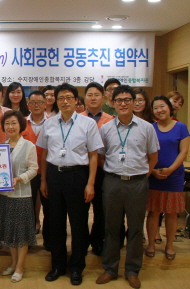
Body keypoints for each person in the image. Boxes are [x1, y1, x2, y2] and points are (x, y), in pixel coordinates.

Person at [38, 83, 103, 286]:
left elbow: (93, 156)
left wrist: (90, 183)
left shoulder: (87, 124)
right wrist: (43, 180)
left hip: (78, 176)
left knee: (78, 223)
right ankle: (58, 266)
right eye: (60, 98)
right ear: (55, 101)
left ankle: (76, 267)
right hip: (54, 176)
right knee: (55, 223)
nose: (65, 101)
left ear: (76, 100)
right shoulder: (49, 123)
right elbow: (44, 154)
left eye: (69, 97)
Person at [96, 85, 159, 289]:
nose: (123, 103)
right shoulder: (105, 128)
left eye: (127, 100)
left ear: (134, 102)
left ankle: (132, 270)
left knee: (135, 229)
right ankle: (110, 269)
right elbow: (100, 156)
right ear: (113, 104)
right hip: (112, 182)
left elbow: (153, 157)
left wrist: (140, 176)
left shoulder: (146, 127)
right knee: (112, 228)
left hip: (138, 183)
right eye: (119, 100)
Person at [0, 110, 38, 283]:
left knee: (21, 233)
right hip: (5, 196)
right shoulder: (1, 146)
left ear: (21, 125)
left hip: (22, 196)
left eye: (13, 123)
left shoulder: (29, 146)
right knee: (9, 232)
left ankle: (20, 266)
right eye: (7, 123)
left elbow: (34, 169)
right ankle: (13, 263)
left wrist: (19, 179)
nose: (10, 126)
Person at [145, 95, 190, 261]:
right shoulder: (150, 127)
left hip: (174, 176)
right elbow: (145, 152)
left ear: (169, 108)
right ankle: (150, 244)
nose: (159, 110)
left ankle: (169, 245)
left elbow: (183, 152)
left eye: (162, 106)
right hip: (154, 175)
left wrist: (170, 169)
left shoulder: (181, 127)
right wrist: (154, 170)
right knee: (153, 211)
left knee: (171, 213)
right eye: (155, 108)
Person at [80, 82, 114, 256]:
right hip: (81, 169)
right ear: (85, 98)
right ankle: (82, 243)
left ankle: (97, 241)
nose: (93, 98)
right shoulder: (76, 118)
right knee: (80, 210)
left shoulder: (111, 120)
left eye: (96, 95)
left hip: (103, 170)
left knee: (101, 209)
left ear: (103, 97)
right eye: (90, 95)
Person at [22, 91, 49, 246]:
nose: (36, 105)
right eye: (33, 102)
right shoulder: (21, 123)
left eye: (40, 102)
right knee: (28, 206)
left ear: (45, 104)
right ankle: (28, 240)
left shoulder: (53, 122)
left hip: (48, 171)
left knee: (50, 207)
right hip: (27, 172)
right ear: (28, 105)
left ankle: (49, 240)